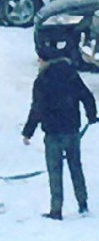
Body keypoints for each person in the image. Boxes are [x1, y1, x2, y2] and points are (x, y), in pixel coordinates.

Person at [22, 44, 97, 220]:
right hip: (72, 131)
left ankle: (56, 209)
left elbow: (37, 108)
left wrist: (28, 131)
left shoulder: (42, 80)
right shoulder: (71, 75)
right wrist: (92, 116)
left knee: (55, 171)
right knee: (75, 167)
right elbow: (87, 96)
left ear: (44, 60)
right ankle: (83, 204)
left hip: (53, 133)